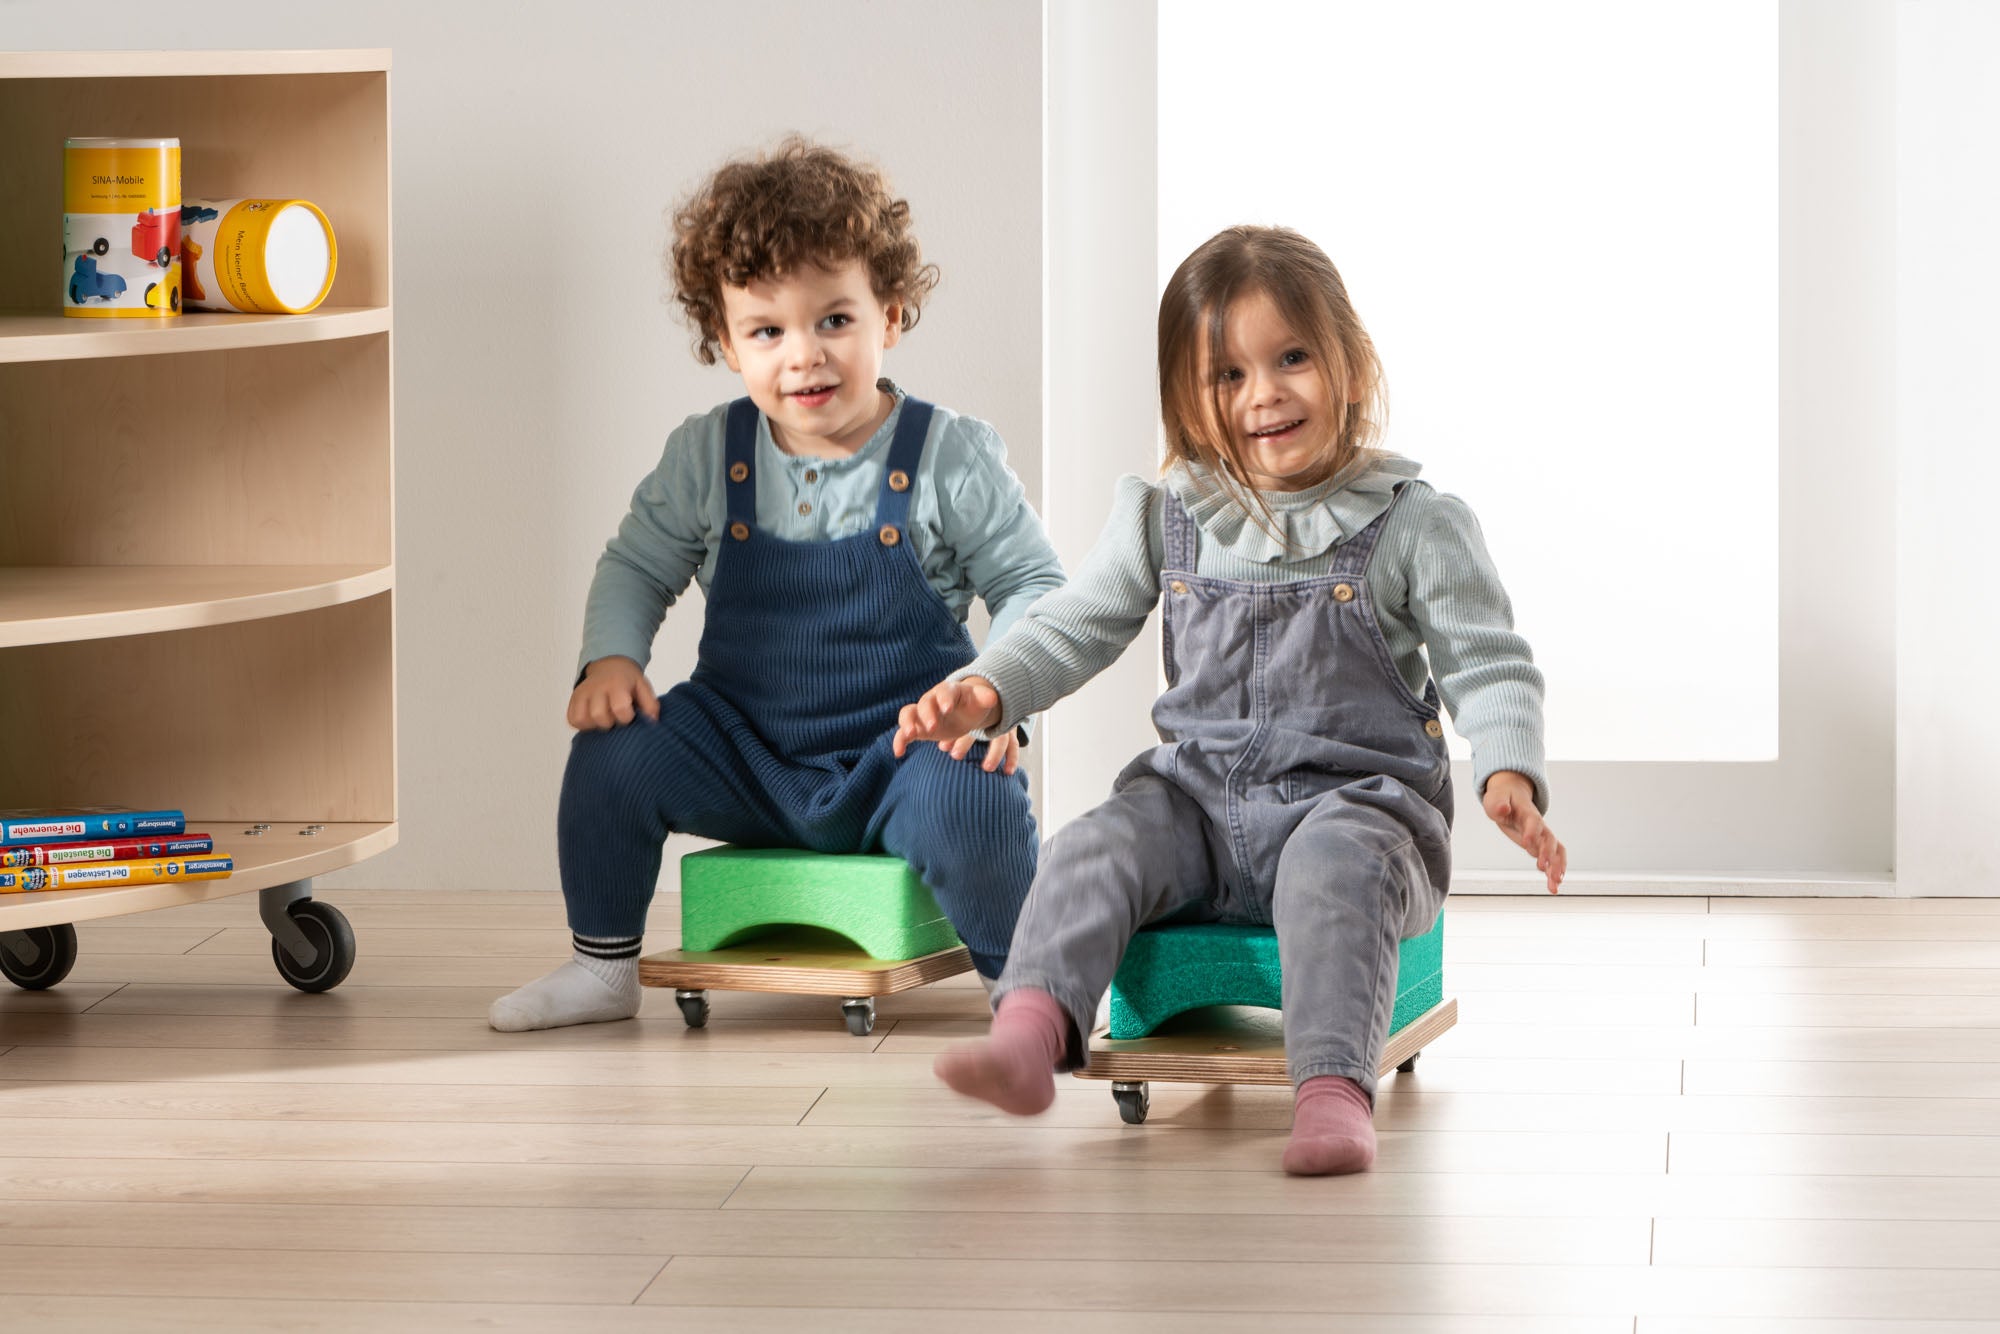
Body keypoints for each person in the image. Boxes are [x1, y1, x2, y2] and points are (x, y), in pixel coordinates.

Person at [894, 225, 1566, 1174]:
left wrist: (1507, 771)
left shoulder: (1414, 524)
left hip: (1359, 809)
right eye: (1228, 375)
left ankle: (1332, 1092)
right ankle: (1032, 1029)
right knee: (1094, 843)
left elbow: (1488, 661)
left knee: (1336, 871)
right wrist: (986, 688)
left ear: (1350, 365)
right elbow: (1074, 623)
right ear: (1186, 397)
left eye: (1292, 358)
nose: (1265, 393)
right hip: (1199, 805)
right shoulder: (1168, 514)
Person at [491, 138, 1063, 1032]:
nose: (805, 357)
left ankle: (1025, 990)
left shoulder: (949, 454)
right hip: (745, 748)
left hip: (901, 749)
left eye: (834, 320)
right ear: (725, 342)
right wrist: (610, 659)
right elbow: (637, 564)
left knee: (975, 796)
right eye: (768, 331)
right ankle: (601, 967)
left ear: (891, 316)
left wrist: (995, 698)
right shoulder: (708, 455)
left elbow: (1032, 581)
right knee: (614, 753)